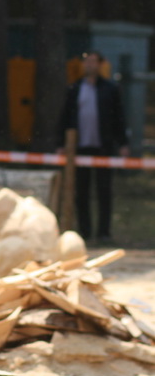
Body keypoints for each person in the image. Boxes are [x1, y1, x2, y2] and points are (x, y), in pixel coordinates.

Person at [59, 50, 129, 244]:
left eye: (93, 62)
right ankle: (85, 232)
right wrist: (61, 143)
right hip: (80, 148)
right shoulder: (75, 88)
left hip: (103, 148)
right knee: (81, 191)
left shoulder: (110, 89)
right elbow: (65, 117)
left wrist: (122, 143)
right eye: (87, 62)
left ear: (100, 64)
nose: (90, 65)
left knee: (104, 191)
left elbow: (119, 118)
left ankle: (104, 233)